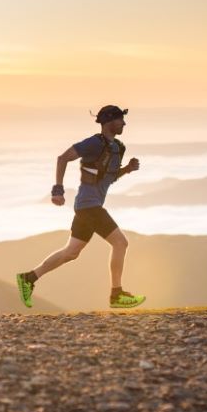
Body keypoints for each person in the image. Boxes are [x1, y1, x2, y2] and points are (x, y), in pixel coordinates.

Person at [16, 105, 146, 309]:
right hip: (89, 206)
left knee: (71, 252)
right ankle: (117, 294)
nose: (124, 123)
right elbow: (63, 158)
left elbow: (107, 179)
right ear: (109, 121)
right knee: (121, 243)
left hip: (86, 207)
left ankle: (29, 278)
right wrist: (57, 189)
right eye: (120, 119)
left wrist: (127, 170)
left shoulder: (118, 148)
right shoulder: (93, 143)